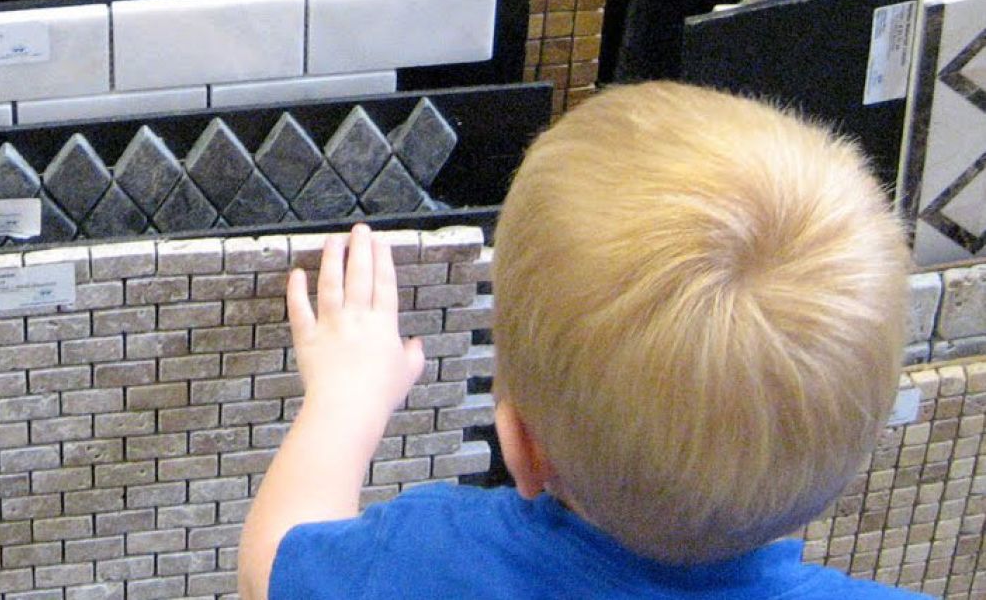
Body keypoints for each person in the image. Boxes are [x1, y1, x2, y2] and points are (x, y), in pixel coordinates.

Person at [238, 82, 914, 600]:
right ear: (854, 458)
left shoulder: (426, 561)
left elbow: (271, 564)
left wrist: (344, 402)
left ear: (522, 449)